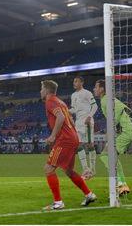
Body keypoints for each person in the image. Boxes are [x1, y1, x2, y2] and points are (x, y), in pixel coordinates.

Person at [40, 80, 97, 211]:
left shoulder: (50, 101)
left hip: (65, 139)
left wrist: (53, 135)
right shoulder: (61, 102)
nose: (40, 91)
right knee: (69, 171)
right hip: (72, 137)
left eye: (42, 88)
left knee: (48, 168)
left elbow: (60, 117)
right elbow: (70, 119)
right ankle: (89, 195)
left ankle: (58, 203)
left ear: (47, 90)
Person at [94, 79, 132, 195]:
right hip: (127, 130)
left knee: (105, 155)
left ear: (102, 89)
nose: (94, 89)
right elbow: (126, 112)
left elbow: (114, 118)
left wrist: (110, 133)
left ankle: (119, 184)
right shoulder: (109, 100)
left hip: (125, 132)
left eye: (96, 87)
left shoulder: (105, 100)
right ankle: (123, 185)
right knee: (111, 157)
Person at [69, 76, 98, 179]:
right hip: (78, 123)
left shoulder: (87, 93)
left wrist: (89, 116)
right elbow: (74, 109)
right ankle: (86, 169)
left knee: (90, 145)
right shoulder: (73, 95)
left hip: (87, 122)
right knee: (78, 145)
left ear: (82, 82)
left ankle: (93, 170)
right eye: (74, 81)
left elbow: (95, 106)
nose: (74, 83)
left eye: (76, 81)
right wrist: (67, 111)